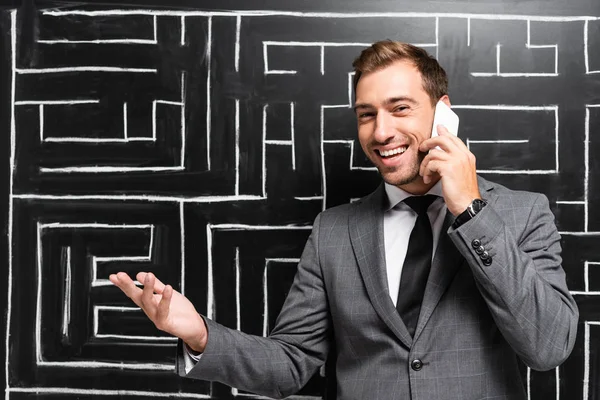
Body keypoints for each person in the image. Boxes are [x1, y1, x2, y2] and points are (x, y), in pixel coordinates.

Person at [110, 40, 579, 400]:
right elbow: (292, 363)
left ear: (443, 114)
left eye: (400, 109)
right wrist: (199, 335)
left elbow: (549, 346)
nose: (381, 132)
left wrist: (471, 210)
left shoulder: (521, 213)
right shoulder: (333, 232)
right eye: (366, 115)